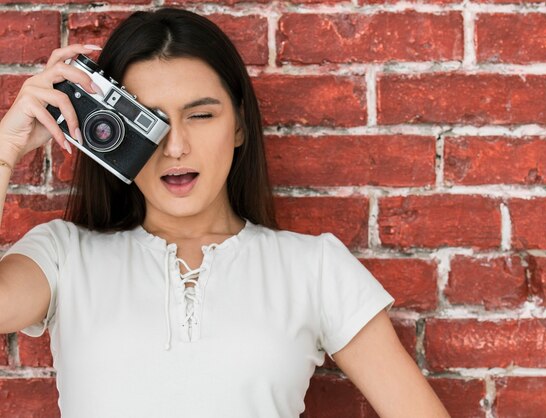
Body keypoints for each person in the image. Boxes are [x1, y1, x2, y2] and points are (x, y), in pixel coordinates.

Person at [0, 8, 450, 418]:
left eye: (200, 116)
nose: (174, 146)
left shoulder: (313, 268)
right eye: (149, 122)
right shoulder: (63, 255)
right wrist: (7, 147)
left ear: (237, 125)